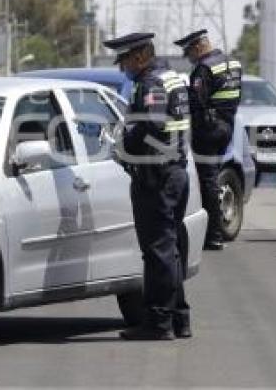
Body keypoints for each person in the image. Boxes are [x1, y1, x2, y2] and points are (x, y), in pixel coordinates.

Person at [104, 32, 192, 341]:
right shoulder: (173, 78)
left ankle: (158, 322)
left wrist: (124, 145)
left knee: (157, 253)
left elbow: (151, 126)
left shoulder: (151, 83)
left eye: (125, 59)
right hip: (176, 173)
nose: (122, 68)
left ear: (141, 56)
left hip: (156, 177)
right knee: (170, 251)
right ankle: (179, 318)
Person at [174, 29, 242, 251]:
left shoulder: (204, 68)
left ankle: (213, 235)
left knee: (208, 182)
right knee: (212, 178)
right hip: (226, 126)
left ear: (198, 47)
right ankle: (214, 232)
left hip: (208, 130)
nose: (189, 58)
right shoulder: (233, 64)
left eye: (189, 53)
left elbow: (194, 103)